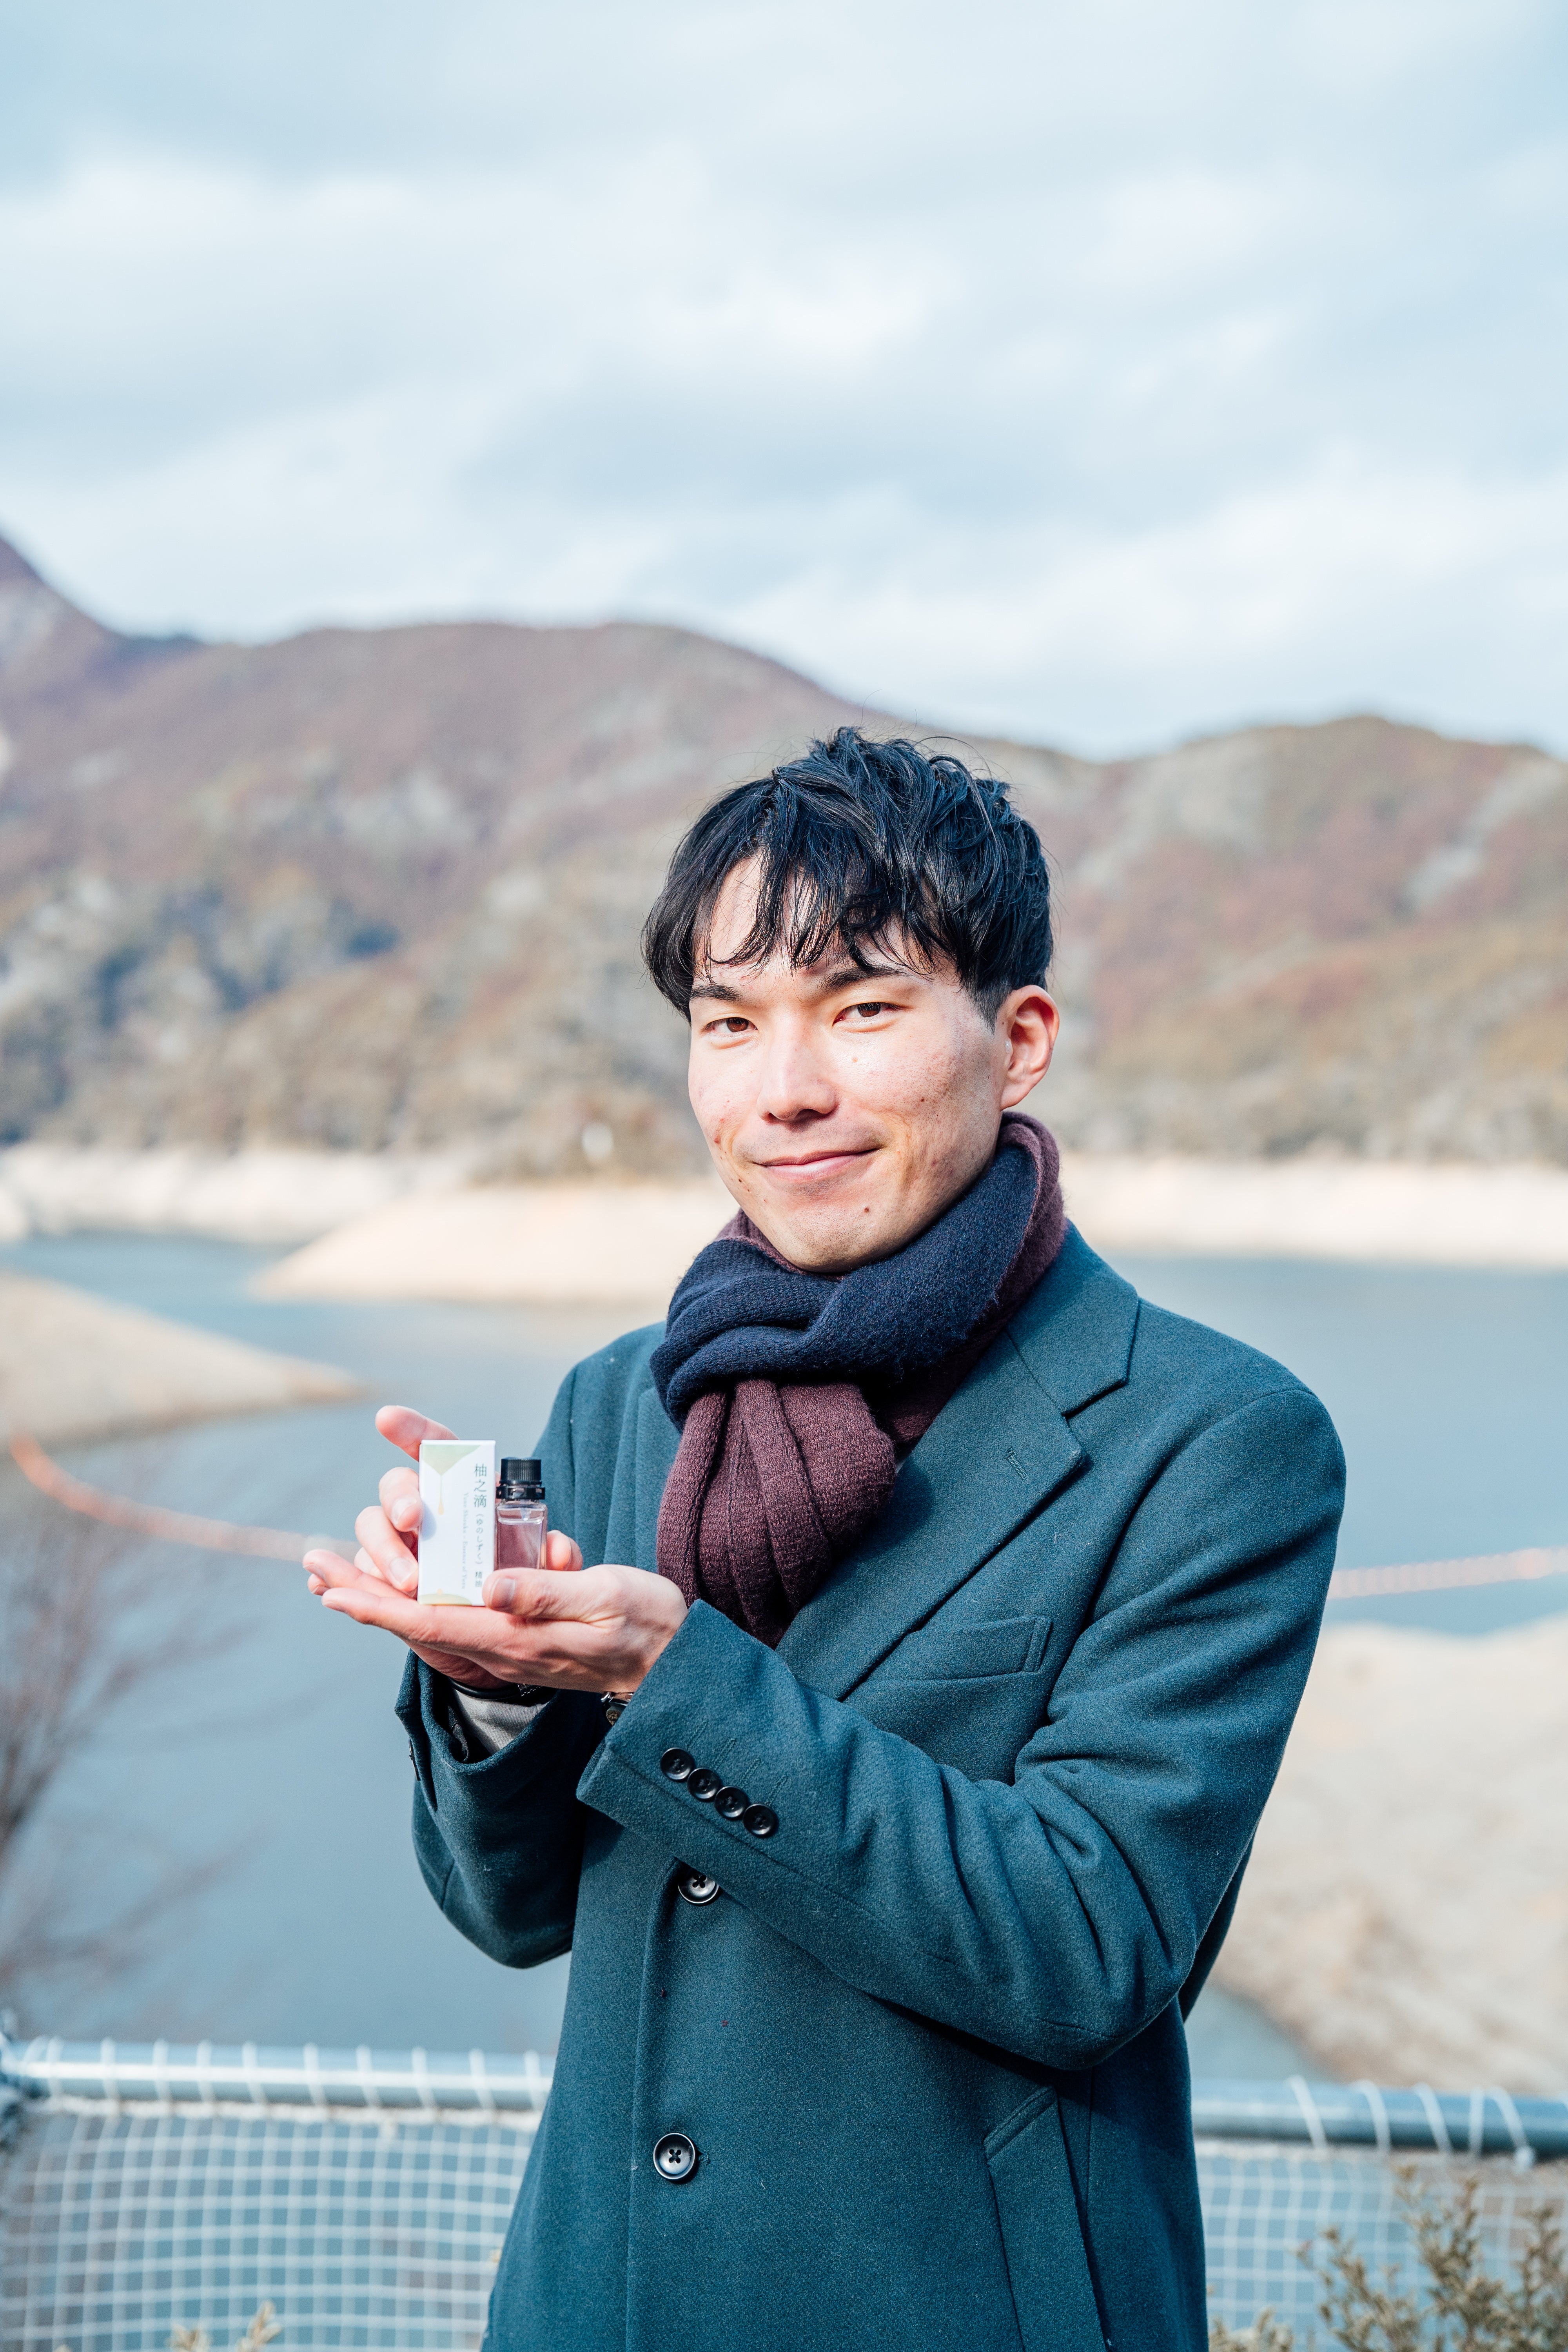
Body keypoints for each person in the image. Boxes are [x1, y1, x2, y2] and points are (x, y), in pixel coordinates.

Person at [305, 729, 1345, 2352]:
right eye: (729, 1023)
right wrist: (493, 1691)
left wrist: (669, 1677)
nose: (782, 1090)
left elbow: (1087, 1947)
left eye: (860, 1009)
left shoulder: (1212, 1437)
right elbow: (511, 1916)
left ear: (1018, 1040)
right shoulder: (621, 1400)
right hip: (600, 2310)